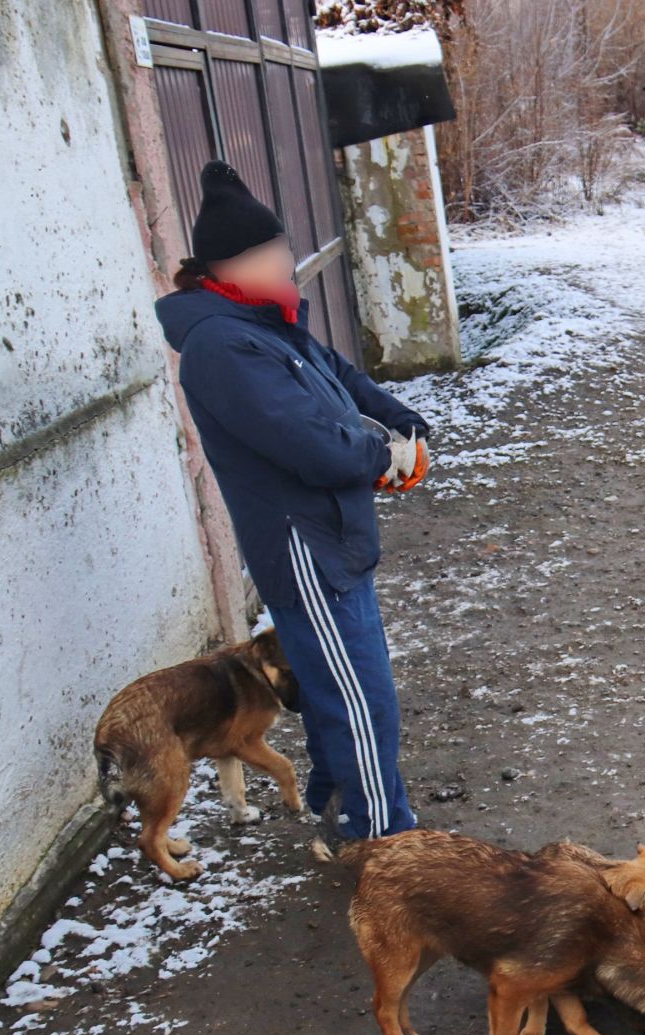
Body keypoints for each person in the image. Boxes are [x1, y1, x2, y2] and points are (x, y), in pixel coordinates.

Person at [155, 161, 430, 837]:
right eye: (276, 253)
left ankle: (337, 808)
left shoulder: (266, 324)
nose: (289, 263)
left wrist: (408, 426)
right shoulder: (221, 346)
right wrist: (384, 457)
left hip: (335, 540)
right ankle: (381, 842)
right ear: (235, 264)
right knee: (363, 705)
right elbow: (310, 445)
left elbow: (340, 379)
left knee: (343, 693)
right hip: (306, 547)